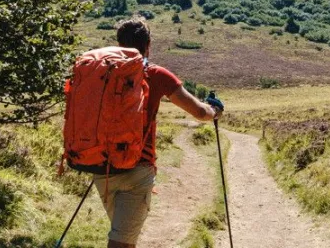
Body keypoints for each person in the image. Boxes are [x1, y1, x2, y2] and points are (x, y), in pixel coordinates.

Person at [62, 16, 224, 248]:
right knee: (121, 242)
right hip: (137, 171)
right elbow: (199, 112)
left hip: (101, 167)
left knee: (123, 236)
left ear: (119, 43)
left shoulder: (104, 74)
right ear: (148, 45)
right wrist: (214, 110)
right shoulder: (156, 74)